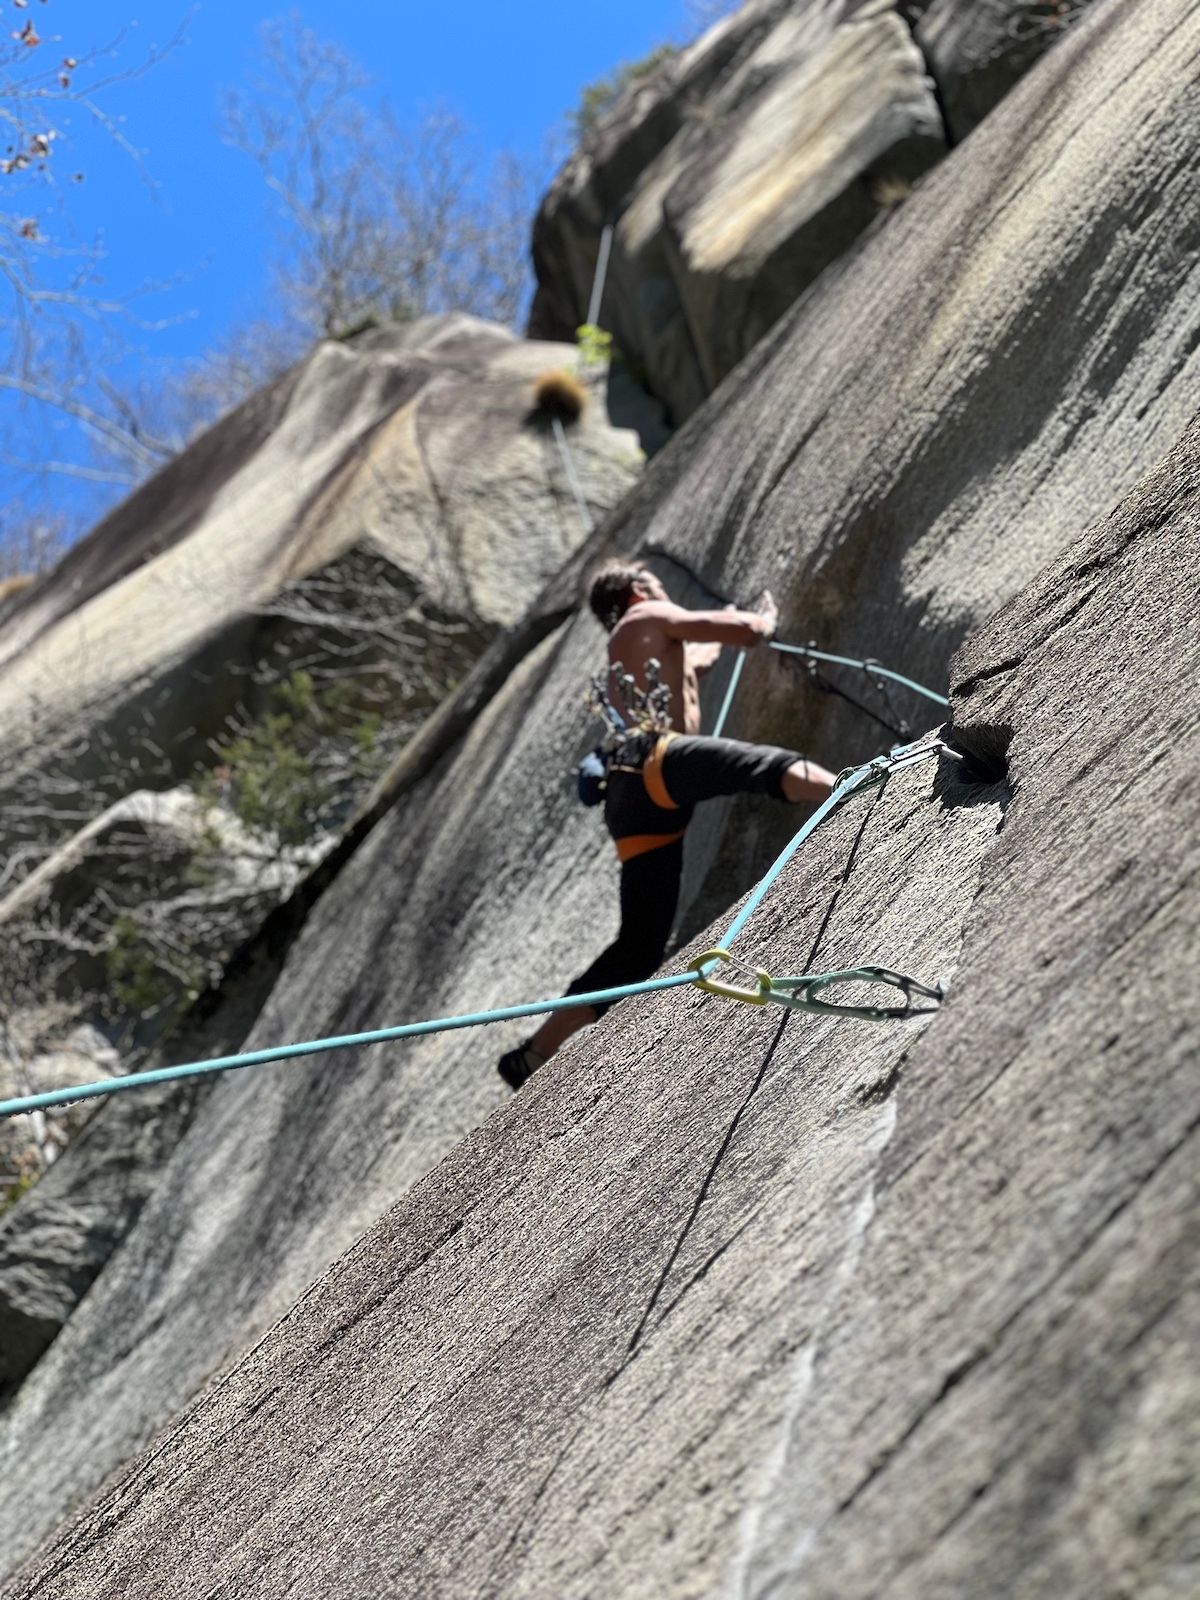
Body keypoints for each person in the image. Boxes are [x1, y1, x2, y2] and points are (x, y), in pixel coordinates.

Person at [496, 559, 838, 1090]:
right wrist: (761, 618)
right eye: (654, 586)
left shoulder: (631, 655)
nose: (662, 593)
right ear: (637, 591)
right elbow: (742, 631)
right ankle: (856, 790)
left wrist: (721, 629)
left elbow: (698, 658)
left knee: (638, 948)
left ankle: (534, 1051)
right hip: (656, 763)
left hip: (630, 800)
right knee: (764, 767)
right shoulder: (645, 615)